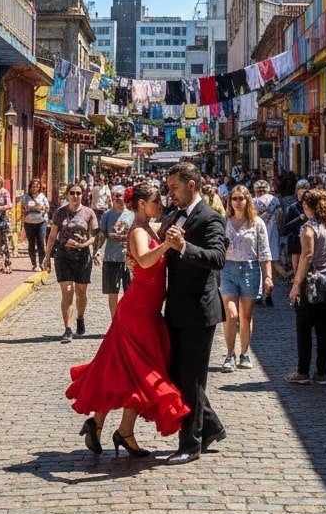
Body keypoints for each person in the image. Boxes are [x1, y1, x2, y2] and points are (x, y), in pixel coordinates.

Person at [67, 184, 189, 457]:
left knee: (127, 371)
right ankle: (116, 430)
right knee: (139, 372)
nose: (161, 204)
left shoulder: (148, 228)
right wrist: (167, 245)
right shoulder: (137, 231)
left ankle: (110, 427)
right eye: (156, 200)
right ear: (143, 204)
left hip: (147, 310)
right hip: (138, 310)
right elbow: (144, 261)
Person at [160, 161, 227, 464]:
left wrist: (186, 247)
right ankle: (211, 425)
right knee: (178, 375)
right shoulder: (173, 215)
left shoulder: (209, 218)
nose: (169, 193)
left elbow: (217, 258)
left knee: (192, 380)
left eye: (174, 187)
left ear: (191, 185)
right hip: (175, 307)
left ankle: (190, 443)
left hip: (200, 311)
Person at [287, 186, 326, 385]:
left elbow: (307, 256)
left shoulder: (308, 229)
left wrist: (296, 284)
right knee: (324, 328)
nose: (303, 208)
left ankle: (303, 371)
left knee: (303, 327)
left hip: (312, 281)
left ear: (310, 206)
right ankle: (322, 373)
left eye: (304, 205)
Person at [220, 185, 273, 372]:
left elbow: (265, 252)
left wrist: (268, 277)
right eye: (234, 199)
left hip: (250, 269)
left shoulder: (257, 223)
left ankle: (244, 353)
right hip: (228, 269)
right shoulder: (224, 222)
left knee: (245, 316)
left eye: (241, 198)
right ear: (230, 201)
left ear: (247, 200)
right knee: (231, 314)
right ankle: (229, 354)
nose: (237, 202)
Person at [45, 184, 99, 343]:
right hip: (63, 256)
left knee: (81, 292)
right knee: (67, 291)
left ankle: (80, 318)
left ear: (83, 195)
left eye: (78, 193)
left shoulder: (89, 213)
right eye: (72, 193)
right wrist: (47, 256)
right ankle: (67, 329)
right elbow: (52, 236)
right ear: (67, 195)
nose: (76, 196)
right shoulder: (60, 213)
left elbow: (95, 236)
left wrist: (86, 245)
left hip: (83, 256)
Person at [95, 185, 133, 317]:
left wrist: (124, 237)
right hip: (111, 258)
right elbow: (101, 235)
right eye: (116, 197)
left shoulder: (132, 215)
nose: (119, 201)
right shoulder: (107, 215)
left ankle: (128, 320)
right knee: (113, 291)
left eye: (121, 198)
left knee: (130, 292)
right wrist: (97, 251)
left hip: (130, 259)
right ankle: (114, 320)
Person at [252, 179, 282, 306]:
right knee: (271, 264)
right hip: (273, 234)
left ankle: (258, 293)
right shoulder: (275, 201)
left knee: (258, 264)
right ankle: (268, 292)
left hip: (258, 234)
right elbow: (280, 217)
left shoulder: (254, 201)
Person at [21, 177, 50, 272]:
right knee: (31, 244)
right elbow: (22, 209)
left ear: (39, 187)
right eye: (33, 186)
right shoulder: (25, 197)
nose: (35, 188)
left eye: (37, 186)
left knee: (41, 242)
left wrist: (42, 207)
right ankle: (34, 264)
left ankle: (41, 263)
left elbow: (47, 208)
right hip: (29, 222)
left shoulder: (42, 196)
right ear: (30, 187)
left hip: (41, 221)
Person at [284, 178, 312, 270]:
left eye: (305, 189)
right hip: (296, 240)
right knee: (297, 268)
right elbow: (285, 228)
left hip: (310, 240)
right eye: (300, 189)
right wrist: (298, 219)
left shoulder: (313, 207)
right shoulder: (292, 208)